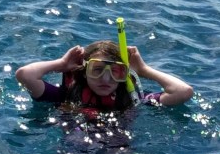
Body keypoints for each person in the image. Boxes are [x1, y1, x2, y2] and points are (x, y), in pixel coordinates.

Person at [15, 40, 194, 112]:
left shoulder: (132, 99)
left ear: (124, 75)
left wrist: (144, 70)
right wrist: (61, 64)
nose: (106, 79)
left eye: (115, 72)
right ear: (84, 72)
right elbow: (25, 75)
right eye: (97, 70)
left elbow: (183, 91)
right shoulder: (65, 96)